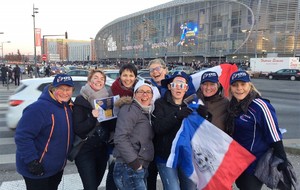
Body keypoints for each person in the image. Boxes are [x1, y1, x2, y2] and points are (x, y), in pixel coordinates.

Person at [226, 70, 290, 190]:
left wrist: (281, 157)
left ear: (249, 85)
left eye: (243, 84)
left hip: (255, 162)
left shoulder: (260, 105)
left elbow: (273, 133)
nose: (239, 88)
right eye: (235, 85)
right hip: (238, 160)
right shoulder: (233, 106)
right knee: (241, 185)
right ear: (230, 88)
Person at [15, 74, 75, 190]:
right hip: (38, 169)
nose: (65, 93)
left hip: (56, 168)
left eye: (68, 89)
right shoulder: (38, 108)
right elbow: (22, 136)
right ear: (53, 89)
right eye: (60, 89)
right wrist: (32, 161)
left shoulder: (67, 107)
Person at [151, 71, 197, 190]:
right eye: (175, 84)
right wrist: (177, 116)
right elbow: (159, 128)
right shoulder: (160, 104)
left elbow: (199, 130)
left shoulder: (192, 105)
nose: (178, 88)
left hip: (186, 157)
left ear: (186, 88)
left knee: (190, 188)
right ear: (169, 87)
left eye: (182, 85)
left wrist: (206, 116)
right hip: (166, 158)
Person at [72, 69, 112, 190]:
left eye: (102, 79)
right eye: (96, 78)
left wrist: (113, 115)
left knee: (96, 183)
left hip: (101, 149)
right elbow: (79, 129)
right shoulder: (80, 100)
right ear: (89, 81)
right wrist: (93, 118)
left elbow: (109, 127)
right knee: (90, 187)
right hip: (85, 150)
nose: (99, 81)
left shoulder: (107, 100)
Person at [113, 80, 155, 190]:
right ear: (134, 94)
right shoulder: (130, 109)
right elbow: (120, 138)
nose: (145, 95)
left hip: (137, 166)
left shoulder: (146, 112)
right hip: (129, 166)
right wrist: (135, 163)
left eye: (148, 92)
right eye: (141, 91)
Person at [106, 63, 139, 190]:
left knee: (133, 176)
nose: (128, 78)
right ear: (120, 76)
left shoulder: (140, 91)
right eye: (125, 75)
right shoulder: (112, 91)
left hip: (136, 140)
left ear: (135, 77)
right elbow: (106, 119)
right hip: (116, 139)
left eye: (131, 75)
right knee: (115, 173)